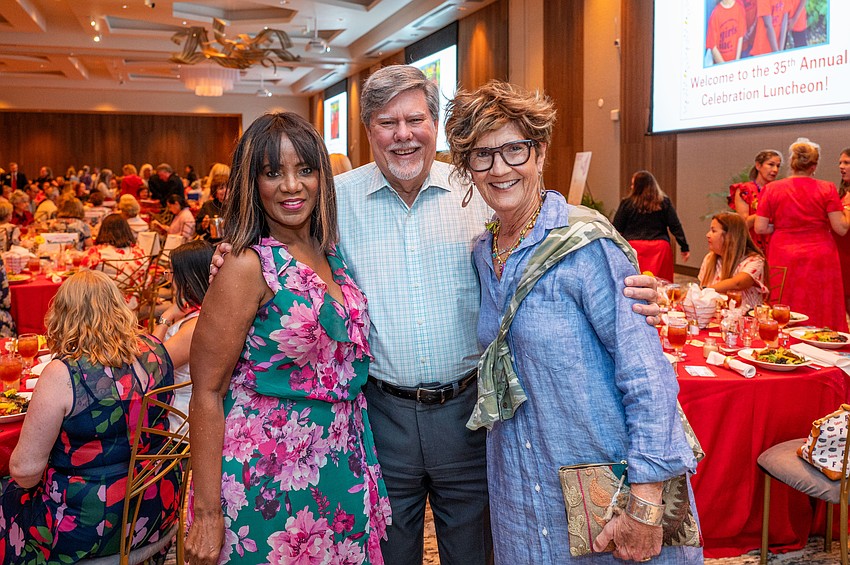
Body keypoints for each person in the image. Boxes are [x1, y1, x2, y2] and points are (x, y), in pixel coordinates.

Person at [208, 65, 662, 565]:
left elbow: (540, 239)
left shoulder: (480, 192)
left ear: (435, 126)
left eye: (415, 119)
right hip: (380, 415)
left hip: (468, 413)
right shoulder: (335, 201)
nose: (403, 135)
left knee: (474, 548)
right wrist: (229, 255)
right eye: (386, 122)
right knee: (388, 550)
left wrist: (629, 286)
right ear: (367, 131)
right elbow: (282, 247)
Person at [444, 79, 700, 564]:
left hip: (605, 486)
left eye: (514, 149)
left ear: (539, 152)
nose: (500, 168)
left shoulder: (586, 245)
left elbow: (646, 373)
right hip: (520, 486)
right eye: (482, 155)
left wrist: (645, 505)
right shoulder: (484, 254)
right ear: (468, 169)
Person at [186, 112, 391, 565]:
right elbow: (206, 390)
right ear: (252, 182)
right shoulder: (245, 265)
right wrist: (206, 513)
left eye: (305, 170)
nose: (291, 185)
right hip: (266, 474)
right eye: (273, 172)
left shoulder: (330, 250)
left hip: (340, 458)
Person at [0, 270, 180, 563]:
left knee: (9, 495)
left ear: (62, 316)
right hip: (156, 503)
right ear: (120, 307)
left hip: (89, 524)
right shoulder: (156, 351)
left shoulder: (64, 374)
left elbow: (24, 471)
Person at [755, 138, 850, 331]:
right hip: (820, 255)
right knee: (820, 304)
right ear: (814, 166)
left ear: (792, 163)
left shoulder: (771, 189)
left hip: (783, 253)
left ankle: (780, 339)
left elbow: (760, 228)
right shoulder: (827, 188)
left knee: (784, 302)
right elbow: (840, 228)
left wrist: (782, 227)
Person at [152, 240, 212, 434]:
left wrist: (166, 317)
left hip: (175, 425)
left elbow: (151, 366)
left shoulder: (195, 325)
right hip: (173, 411)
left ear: (187, 277)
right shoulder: (201, 313)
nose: (170, 280)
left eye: (171, 273)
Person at [612, 170, 690, 281]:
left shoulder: (627, 203)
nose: (631, 186)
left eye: (633, 184)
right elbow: (675, 226)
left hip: (634, 249)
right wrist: (684, 247)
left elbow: (617, 228)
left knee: (636, 284)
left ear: (638, 187)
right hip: (660, 249)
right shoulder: (664, 202)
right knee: (662, 285)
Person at [699, 212, 767, 309]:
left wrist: (705, 291)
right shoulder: (710, 259)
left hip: (747, 319)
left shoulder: (754, 261)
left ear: (730, 236)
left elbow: (738, 283)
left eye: (713, 231)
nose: (708, 235)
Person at [80, 213, 148, 298]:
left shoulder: (95, 253)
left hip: (102, 306)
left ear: (103, 230)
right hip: (134, 305)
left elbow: (81, 282)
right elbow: (147, 281)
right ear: (127, 230)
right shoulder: (140, 253)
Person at [728, 149, 782, 253]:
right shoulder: (745, 190)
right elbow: (744, 224)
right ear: (758, 165)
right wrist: (764, 212)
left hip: (775, 245)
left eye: (778, 166)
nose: (775, 170)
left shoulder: (779, 190)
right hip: (752, 246)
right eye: (771, 164)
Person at [834, 148, 850, 316]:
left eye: (846, 163)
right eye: (840, 163)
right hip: (839, 255)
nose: (841, 166)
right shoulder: (841, 194)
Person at [195, 173, 227, 241]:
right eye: (221, 188)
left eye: (228, 187)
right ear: (215, 192)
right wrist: (203, 225)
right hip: (213, 243)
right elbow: (198, 229)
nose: (225, 190)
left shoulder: (237, 205)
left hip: (233, 243)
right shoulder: (208, 205)